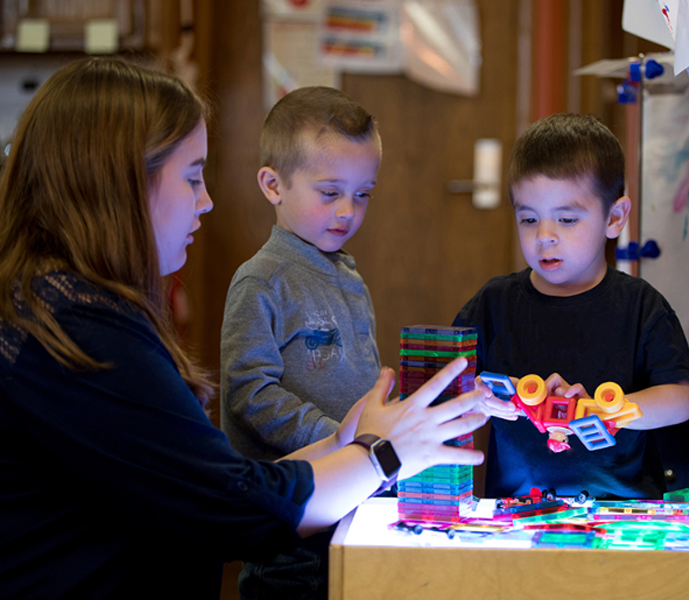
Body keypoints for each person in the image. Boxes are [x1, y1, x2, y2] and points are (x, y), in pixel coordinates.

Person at [0, 57, 487, 599]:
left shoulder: (58, 304)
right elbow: (231, 505)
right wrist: (382, 454)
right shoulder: (77, 330)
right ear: (119, 185)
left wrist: (351, 441)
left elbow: (214, 476)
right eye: (191, 178)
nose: (206, 201)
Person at [453, 113, 689, 501]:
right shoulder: (493, 304)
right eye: (528, 218)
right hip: (517, 512)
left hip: (624, 514)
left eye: (566, 219)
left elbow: (679, 400)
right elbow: (445, 391)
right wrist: (477, 396)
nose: (544, 237)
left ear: (614, 218)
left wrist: (608, 408)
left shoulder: (641, 305)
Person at [219, 86, 384, 599]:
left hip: (351, 495)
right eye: (330, 192)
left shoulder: (348, 275)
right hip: (290, 518)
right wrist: (339, 437)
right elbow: (249, 393)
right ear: (273, 184)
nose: (348, 211)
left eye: (363, 194)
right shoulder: (262, 281)